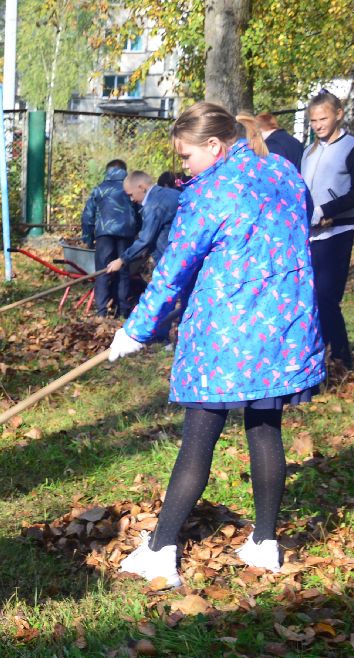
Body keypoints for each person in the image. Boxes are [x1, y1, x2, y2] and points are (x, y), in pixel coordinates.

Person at [111, 105, 325, 585]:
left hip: (227, 335)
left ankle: (162, 549)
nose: (182, 165)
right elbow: (301, 220)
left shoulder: (211, 193)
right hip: (281, 327)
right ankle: (265, 543)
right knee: (266, 429)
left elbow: (174, 269)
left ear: (215, 146)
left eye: (186, 156)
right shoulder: (282, 171)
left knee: (198, 440)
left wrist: (135, 330)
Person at [300, 90, 354, 374]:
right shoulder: (309, 151)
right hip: (309, 233)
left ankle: (342, 359)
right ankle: (316, 355)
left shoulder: (353, 148)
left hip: (338, 231)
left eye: (322, 118)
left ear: (338, 114)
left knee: (326, 296)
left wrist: (327, 210)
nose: (318, 125)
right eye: (312, 120)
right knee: (310, 297)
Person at [107, 170, 181, 338]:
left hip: (169, 257)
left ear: (141, 187)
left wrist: (122, 259)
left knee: (163, 296)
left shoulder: (154, 205)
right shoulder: (171, 194)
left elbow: (146, 238)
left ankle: (161, 337)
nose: (132, 200)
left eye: (132, 195)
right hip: (179, 253)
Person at [81, 159, 140, 316]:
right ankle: (123, 311)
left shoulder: (99, 189)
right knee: (123, 271)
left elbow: (87, 216)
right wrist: (137, 234)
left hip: (104, 235)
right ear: (124, 171)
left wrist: (87, 238)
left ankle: (101, 312)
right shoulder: (131, 189)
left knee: (102, 271)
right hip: (126, 235)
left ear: (107, 171)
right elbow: (139, 212)